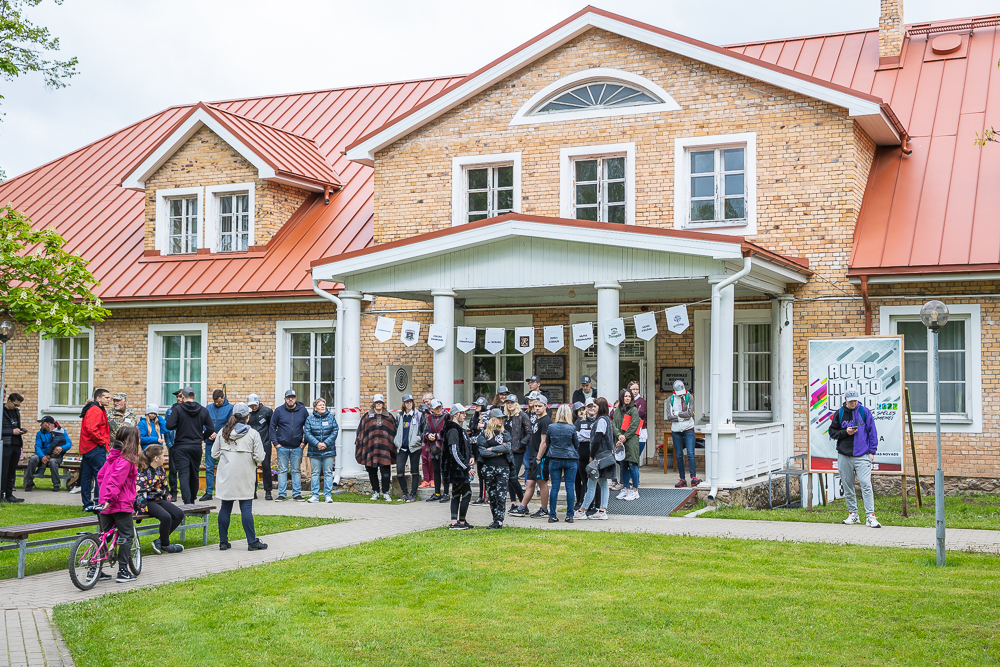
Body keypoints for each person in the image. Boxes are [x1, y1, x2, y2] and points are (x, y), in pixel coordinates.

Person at [213, 402, 268, 551]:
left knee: (225, 508)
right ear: (247, 417)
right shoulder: (253, 434)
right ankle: (252, 542)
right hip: (245, 475)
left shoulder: (222, 432)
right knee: (246, 509)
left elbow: (214, 454)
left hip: (226, 476)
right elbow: (259, 457)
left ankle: (223, 542)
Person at [829, 388, 881, 528]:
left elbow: (872, 432)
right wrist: (846, 432)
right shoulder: (839, 413)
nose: (853, 403)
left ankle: (870, 516)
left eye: (855, 400)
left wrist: (872, 451)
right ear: (845, 399)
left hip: (862, 455)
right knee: (848, 486)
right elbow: (832, 433)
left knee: (866, 484)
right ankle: (853, 514)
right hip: (844, 455)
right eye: (851, 401)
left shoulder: (865, 412)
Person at [95, 425, 140, 583]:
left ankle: (94, 570)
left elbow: (100, 476)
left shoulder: (111, 459)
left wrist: (104, 498)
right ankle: (123, 571)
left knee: (103, 537)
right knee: (127, 536)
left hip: (106, 503)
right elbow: (117, 481)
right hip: (118, 503)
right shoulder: (126, 460)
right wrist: (110, 498)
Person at [164, 386, 215, 505]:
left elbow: (169, 426)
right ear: (194, 396)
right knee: (194, 473)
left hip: (181, 446)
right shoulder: (203, 410)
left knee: (183, 474)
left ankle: (187, 501)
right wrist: (201, 437)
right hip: (196, 446)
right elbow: (211, 428)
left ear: (182, 397)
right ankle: (192, 499)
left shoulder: (178, 409)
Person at [136, 444, 185, 554]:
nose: (165, 458)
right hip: (146, 501)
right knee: (166, 517)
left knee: (178, 514)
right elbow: (139, 492)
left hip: (159, 499)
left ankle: (159, 541)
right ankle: (165, 545)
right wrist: (141, 510)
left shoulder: (161, 469)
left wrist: (168, 503)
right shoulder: (142, 472)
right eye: (163, 455)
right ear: (156, 458)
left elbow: (165, 488)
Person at [510, 395, 551, 518]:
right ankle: (522, 508)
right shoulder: (537, 420)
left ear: (545, 406)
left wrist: (538, 458)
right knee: (529, 483)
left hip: (540, 457)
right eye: (535, 406)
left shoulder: (545, 421)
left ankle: (544, 509)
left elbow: (544, 442)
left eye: (540, 406)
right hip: (533, 456)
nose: (537, 408)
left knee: (542, 482)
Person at [575, 397, 614, 520]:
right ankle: (602, 510)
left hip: (599, 457)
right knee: (602, 483)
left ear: (600, 407)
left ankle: (582, 510)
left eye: (596, 406)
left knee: (591, 484)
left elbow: (597, 439)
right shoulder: (606, 419)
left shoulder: (601, 420)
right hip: (605, 456)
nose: (593, 408)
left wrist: (592, 455)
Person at [355, 394, 397, 501]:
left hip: (385, 449)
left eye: (380, 402)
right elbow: (360, 432)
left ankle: (386, 492)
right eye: (377, 402)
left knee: (385, 471)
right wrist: (360, 443)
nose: (379, 404)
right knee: (372, 471)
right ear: (373, 403)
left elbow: (394, 432)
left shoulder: (389, 417)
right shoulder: (366, 417)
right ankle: (376, 492)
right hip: (371, 448)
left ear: (383, 404)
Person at [270, 389, 308, 502]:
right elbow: (272, 428)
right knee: (282, 470)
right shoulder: (278, 411)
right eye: (288, 397)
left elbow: (308, 427)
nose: (290, 399)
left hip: (297, 447)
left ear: (296, 398)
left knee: (296, 470)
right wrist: (276, 444)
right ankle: (282, 494)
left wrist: (304, 442)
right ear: (285, 399)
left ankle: (297, 494)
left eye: (292, 397)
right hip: (282, 447)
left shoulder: (303, 411)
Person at [442, 403, 475, 530]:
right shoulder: (453, 430)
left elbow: (466, 447)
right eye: (463, 413)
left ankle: (458, 521)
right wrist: (466, 467)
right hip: (456, 469)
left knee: (457, 493)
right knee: (466, 493)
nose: (465, 415)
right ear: (456, 414)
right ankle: (457, 522)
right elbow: (454, 452)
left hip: (459, 468)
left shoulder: (460, 429)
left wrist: (471, 456)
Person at [545, 404, 580, 523]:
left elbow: (547, 442)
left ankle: (552, 515)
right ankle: (570, 515)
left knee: (554, 487)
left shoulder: (551, 427)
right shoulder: (572, 428)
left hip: (555, 458)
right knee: (570, 487)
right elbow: (576, 444)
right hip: (570, 458)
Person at [478, 408, 511, 529]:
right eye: (498, 418)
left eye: (502, 418)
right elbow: (482, 452)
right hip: (488, 468)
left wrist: (492, 449)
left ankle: (499, 520)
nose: (501, 420)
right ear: (492, 419)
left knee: (501, 495)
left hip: (503, 467)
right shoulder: (484, 434)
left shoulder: (505, 434)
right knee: (492, 495)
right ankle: (495, 519)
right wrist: (498, 451)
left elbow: (507, 448)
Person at [79, 388, 112, 510]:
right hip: (94, 447)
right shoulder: (96, 410)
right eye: (106, 397)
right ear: (98, 398)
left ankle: (87, 504)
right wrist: (102, 441)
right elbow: (92, 429)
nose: (109, 400)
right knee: (101, 474)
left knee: (87, 476)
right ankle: (99, 502)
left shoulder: (95, 409)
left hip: (88, 447)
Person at [666, 380, 700, 488]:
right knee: (679, 455)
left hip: (689, 428)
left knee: (690, 453)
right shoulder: (670, 399)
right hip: (676, 431)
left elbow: (689, 414)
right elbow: (669, 416)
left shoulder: (689, 397)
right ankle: (682, 479)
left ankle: (693, 478)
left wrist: (676, 414)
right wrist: (682, 417)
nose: (680, 394)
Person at [304, 398, 338, 503]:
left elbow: (335, 431)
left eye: (324, 404)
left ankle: (328, 495)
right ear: (315, 408)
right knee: (315, 472)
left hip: (329, 450)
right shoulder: (310, 419)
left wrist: (325, 444)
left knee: (328, 472)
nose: (322, 406)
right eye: (320, 405)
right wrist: (317, 444)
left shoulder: (331, 418)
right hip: (314, 450)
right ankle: (315, 495)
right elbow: (307, 433)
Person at [25, 416, 71, 492]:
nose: (40, 425)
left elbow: (69, 443)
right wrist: (42, 456)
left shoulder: (61, 431)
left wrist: (61, 448)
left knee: (52, 461)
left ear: (48, 424)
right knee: (33, 458)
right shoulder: (39, 433)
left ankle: (56, 485)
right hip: (42, 456)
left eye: (42, 423)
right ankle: (29, 483)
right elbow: (37, 446)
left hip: (56, 457)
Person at [202, 389, 232, 501]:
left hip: (223, 442)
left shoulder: (230, 408)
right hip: (210, 441)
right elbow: (203, 422)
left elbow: (229, 424)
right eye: (215, 401)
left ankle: (225, 491)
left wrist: (218, 434)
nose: (216, 404)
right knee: (209, 467)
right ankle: (209, 492)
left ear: (223, 398)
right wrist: (208, 433)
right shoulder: (208, 408)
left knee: (225, 467)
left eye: (218, 401)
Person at [502, 394, 529, 512]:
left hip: (518, 452)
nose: (510, 405)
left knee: (513, 477)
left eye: (512, 402)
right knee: (509, 477)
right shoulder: (506, 417)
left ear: (516, 403)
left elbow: (530, 433)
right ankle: (513, 503)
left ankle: (524, 504)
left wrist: (521, 443)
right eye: (508, 403)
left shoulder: (522, 416)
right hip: (507, 451)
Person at [614, 388, 641, 501]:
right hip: (621, 441)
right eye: (625, 396)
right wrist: (619, 435)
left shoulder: (633, 410)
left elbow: (634, 425)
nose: (627, 398)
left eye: (629, 396)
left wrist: (624, 437)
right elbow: (614, 425)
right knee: (623, 465)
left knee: (633, 465)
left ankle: (635, 490)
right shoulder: (617, 411)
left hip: (631, 441)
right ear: (621, 397)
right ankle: (625, 488)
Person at [246, 394, 274, 500]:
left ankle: (268, 491)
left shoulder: (267, 411)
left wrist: (270, 439)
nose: (253, 408)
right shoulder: (247, 413)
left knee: (266, 466)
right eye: (251, 406)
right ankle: (253, 490)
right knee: (252, 467)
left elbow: (272, 426)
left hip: (265, 442)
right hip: (251, 443)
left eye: (255, 405)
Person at [394, 394, 421, 501]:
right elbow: (396, 430)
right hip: (402, 447)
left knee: (414, 471)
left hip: (414, 447)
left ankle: (413, 494)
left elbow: (423, 429)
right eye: (407, 402)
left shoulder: (418, 415)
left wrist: (418, 439)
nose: (409, 404)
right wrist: (396, 441)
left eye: (410, 402)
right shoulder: (399, 416)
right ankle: (405, 493)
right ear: (403, 404)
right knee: (400, 472)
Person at [1, 392, 27, 503]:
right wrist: (11, 431)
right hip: (6, 445)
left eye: (18, 405)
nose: (16, 407)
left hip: (16, 444)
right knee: (4, 471)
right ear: (9, 401)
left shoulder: (16, 412)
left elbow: (15, 426)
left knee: (12, 471)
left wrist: (20, 430)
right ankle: (2, 495)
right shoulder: (1, 411)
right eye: (15, 405)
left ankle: (9, 494)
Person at [422, 399, 450, 503]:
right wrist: (427, 435)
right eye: (436, 408)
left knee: (445, 471)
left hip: (444, 448)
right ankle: (437, 493)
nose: (439, 409)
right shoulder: (429, 418)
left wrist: (437, 436)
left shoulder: (447, 417)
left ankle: (446, 493)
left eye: (440, 407)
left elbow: (449, 431)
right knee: (436, 471)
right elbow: (424, 432)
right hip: (433, 448)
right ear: (432, 409)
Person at [573, 400, 595, 511]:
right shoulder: (579, 422)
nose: (591, 408)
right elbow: (577, 438)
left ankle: (592, 504)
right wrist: (589, 436)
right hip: (581, 456)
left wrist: (585, 435)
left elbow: (595, 438)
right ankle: (581, 502)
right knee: (583, 481)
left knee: (593, 481)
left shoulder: (597, 421)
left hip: (593, 457)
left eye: (593, 406)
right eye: (589, 406)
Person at [163, 390, 183, 500]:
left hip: (183, 444)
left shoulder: (187, 410)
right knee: (173, 470)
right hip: (173, 444)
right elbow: (166, 428)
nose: (178, 399)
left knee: (184, 470)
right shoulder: (170, 410)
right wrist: (169, 444)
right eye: (177, 397)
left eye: (180, 396)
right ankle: (173, 492)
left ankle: (185, 492)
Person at [418, 392, 435, 489]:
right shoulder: (422, 413)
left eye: (427, 402)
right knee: (424, 459)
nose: (426, 404)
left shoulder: (436, 411)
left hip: (434, 440)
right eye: (424, 402)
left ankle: (432, 479)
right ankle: (426, 479)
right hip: (425, 439)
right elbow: (421, 427)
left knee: (431, 459)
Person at [628, 380, 648, 458]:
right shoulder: (626, 400)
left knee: (635, 457)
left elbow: (640, 414)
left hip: (640, 430)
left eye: (637, 389)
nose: (635, 391)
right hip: (627, 429)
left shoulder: (642, 401)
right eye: (633, 389)